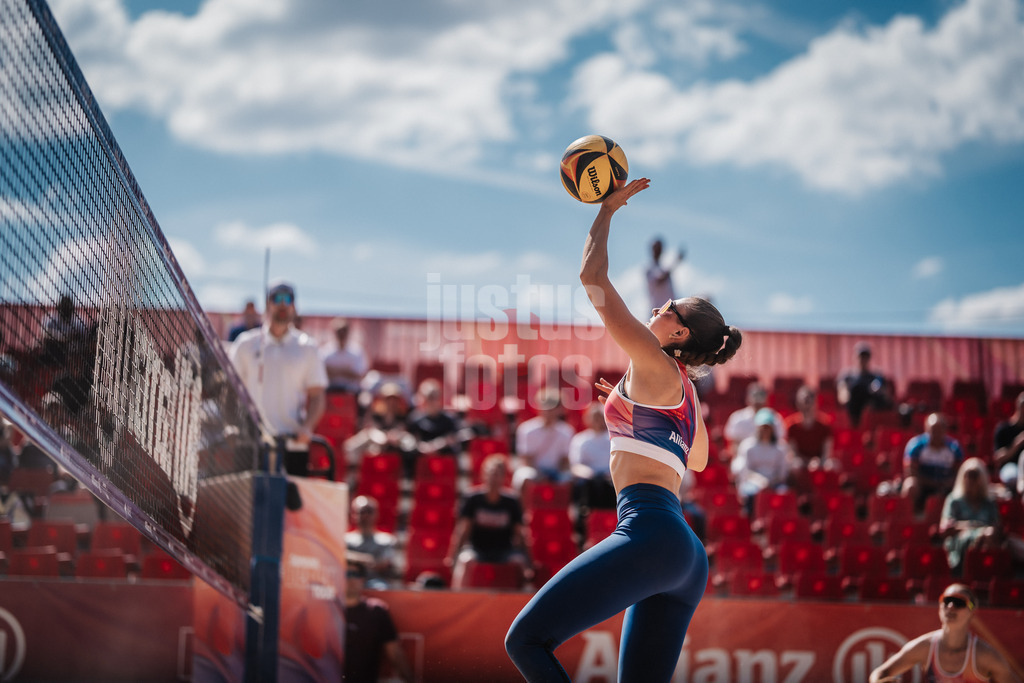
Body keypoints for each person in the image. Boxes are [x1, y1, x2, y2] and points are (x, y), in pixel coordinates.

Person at [506, 177, 743, 682]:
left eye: (667, 309)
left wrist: (607, 210)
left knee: (526, 640)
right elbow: (695, 459)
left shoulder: (656, 363)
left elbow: (592, 277)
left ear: (678, 333)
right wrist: (623, 405)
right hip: (686, 556)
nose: (658, 307)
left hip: (650, 531)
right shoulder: (686, 389)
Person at [229, 281, 327, 476]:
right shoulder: (246, 344)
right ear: (267, 304)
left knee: (290, 506)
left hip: (292, 445)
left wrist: (307, 428)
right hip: (249, 442)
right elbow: (229, 390)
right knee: (246, 506)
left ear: (294, 306)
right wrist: (231, 424)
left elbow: (317, 395)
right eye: (277, 298)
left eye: (288, 298)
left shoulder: (307, 347)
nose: (283, 304)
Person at [868, 583, 1020, 683]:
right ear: (940, 607)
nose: (951, 606)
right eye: (946, 601)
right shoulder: (925, 646)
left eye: (959, 602)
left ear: (972, 613)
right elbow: (879, 674)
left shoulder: (984, 655)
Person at [447, 454, 531, 589]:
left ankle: (521, 603)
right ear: (483, 475)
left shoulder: (512, 501)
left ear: (504, 477)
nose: (493, 478)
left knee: (518, 562)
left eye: (497, 474)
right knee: (465, 560)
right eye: (491, 473)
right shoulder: (473, 498)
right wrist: (453, 555)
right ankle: (458, 596)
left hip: (504, 550)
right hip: (478, 549)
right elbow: (463, 530)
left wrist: (528, 562)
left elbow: (520, 534)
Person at [343, 555, 414, 683]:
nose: (351, 579)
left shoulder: (376, 611)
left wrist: (409, 679)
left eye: (355, 574)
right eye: (346, 574)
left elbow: (394, 654)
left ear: (363, 578)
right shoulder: (325, 611)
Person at [939, 458, 1002, 575]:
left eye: (974, 476)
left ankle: (987, 573)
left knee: (989, 536)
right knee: (971, 537)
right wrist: (975, 527)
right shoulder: (954, 501)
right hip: (960, 542)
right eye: (967, 475)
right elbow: (946, 528)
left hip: (987, 540)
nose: (970, 480)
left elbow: (996, 527)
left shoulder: (989, 502)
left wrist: (986, 532)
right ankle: (969, 573)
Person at [731, 408, 792, 512]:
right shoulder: (747, 446)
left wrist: (770, 482)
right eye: (763, 427)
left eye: (768, 428)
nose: (765, 431)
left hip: (775, 483)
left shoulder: (780, 448)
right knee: (749, 493)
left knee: (784, 494)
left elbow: (782, 473)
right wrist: (759, 481)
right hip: (753, 483)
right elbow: (746, 471)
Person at [902, 412, 964, 513]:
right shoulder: (916, 446)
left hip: (946, 486)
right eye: (932, 431)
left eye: (938, 430)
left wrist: (947, 483)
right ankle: (912, 515)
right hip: (923, 485)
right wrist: (933, 483)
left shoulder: (954, 448)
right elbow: (911, 473)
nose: (934, 434)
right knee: (910, 485)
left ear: (945, 430)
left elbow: (959, 473)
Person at [513, 388, 574, 486]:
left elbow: (564, 460)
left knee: (568, 478)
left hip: (556, 472)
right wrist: (540, 476)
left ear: (559, 409)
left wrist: (556, 475)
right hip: (534, 471)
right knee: (524, 475)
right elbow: (526, 460)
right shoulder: (527, 429)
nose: (549, 410)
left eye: (553, 406)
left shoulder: (566, 431)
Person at [783, 385, 836, 488]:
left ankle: (826, 494)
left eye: (809, 402)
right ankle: (795, 493)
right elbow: (793, 454)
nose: (806, 407)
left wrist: (818, 462)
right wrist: (807, 462)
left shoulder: (825, 425)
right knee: (793, 465)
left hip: (819, 462)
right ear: (798, 404)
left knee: (832, 465)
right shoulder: (791, 425)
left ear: (815, 403)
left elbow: (827, 453)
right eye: (803, 403)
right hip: (800, 462)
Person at [568, 401, 615, 510]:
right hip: (588, 480)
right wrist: (589, 474)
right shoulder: (580, 440)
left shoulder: (613, 438)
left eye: (600, 417)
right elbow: (575, 465)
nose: (598, 421)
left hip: (610, 478)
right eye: (595, 418)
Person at [344, 495, 399, 588]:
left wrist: (351, 557)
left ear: (376, 514)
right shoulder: (345, 540)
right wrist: (368, 560)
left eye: (369, 512)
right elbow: (339, 559)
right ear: (353, 515)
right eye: (361, 512)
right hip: (348, 582)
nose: (365, 516)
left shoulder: (387, 540)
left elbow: (381, 564)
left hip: (375, 583)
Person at [837, 341, 891, 427]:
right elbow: (843, 397)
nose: (862, 360)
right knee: (856, 389)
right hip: (853, 410)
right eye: (860, 357)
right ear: (854, 357)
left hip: (872, 411)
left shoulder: (876, 377)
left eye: (865, 357)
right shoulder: (846, 376)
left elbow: (885, 397)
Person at [407, 378, 466, 456]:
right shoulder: (415, 419)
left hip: (444, 458)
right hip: (421, 458)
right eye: (429, 398)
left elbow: (456, 437)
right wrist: (422, 446)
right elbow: (410, 439)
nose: (431, 402)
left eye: (434, 398)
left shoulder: (450, 419)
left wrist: (440, 444)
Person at [723, 382, 783, 452]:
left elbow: (780, 444)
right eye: (756, 403)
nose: (758, 406)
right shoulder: (737, 418)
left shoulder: (775, 418)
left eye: (760, 403)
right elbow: (733, 446)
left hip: (770, 460)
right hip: (745, 459)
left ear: (766, 401)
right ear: (748, 400)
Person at [320, 317, 368, 393]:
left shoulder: (357, 351)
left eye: (344, 331)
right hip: (330, 390)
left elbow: (360, 375)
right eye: (339, 331)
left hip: (352, 391)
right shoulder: (325, 351)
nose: (342, 334)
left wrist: (335, 371)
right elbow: (321, 373)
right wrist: (346, 371)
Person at [644, 237, 684, 312]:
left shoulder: (662, 268)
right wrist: (676, 261)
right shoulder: (649, 269)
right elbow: (660, 279)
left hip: (669, 310)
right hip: (658, 311)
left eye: (660, 248)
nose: (658, 250)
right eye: (656, 248)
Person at [993, 391, 1024, 487]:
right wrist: (1016, 445)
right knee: (1013, 477)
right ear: (1019, 407)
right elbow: (998, 457)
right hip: (1010, 466)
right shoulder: (1003, 429)